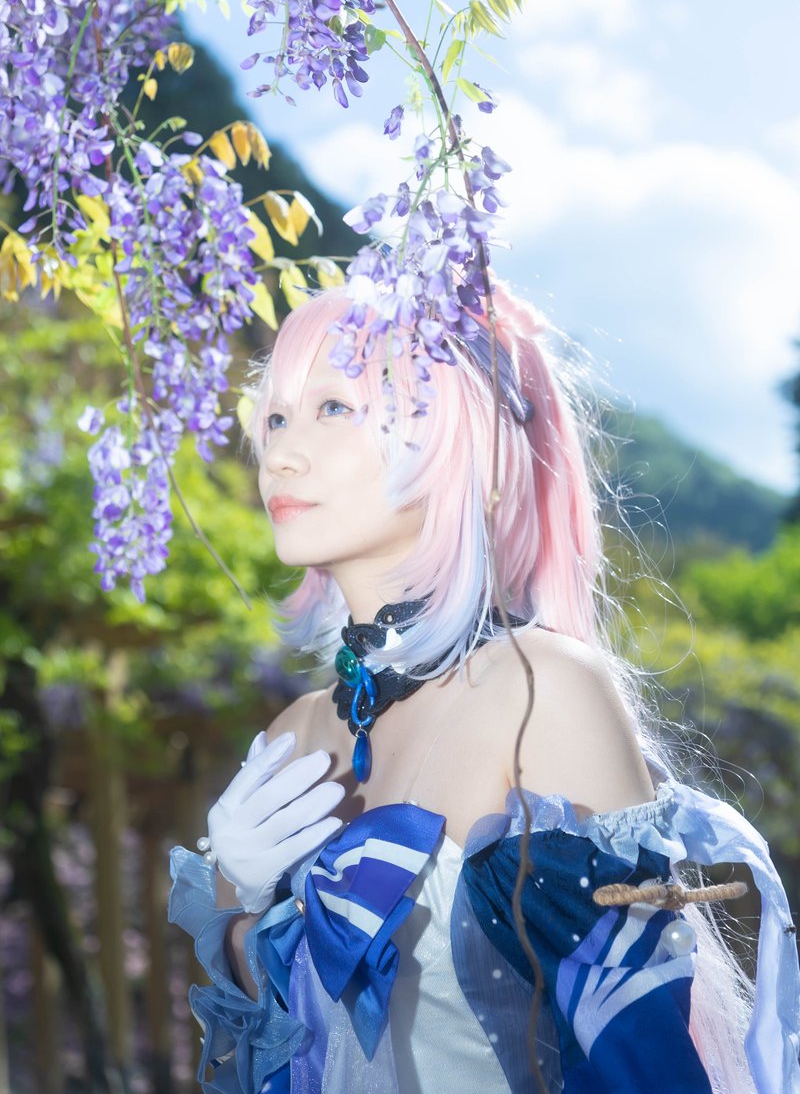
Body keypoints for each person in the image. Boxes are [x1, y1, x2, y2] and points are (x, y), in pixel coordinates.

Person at [168, 284, 800, 1093]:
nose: (280, 455)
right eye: (276, 418)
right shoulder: (296, 735)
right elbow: (280, 1058)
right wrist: (238, 909)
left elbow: (640, 1062)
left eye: (333, 407)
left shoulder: (544, 694)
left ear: (459, 437)